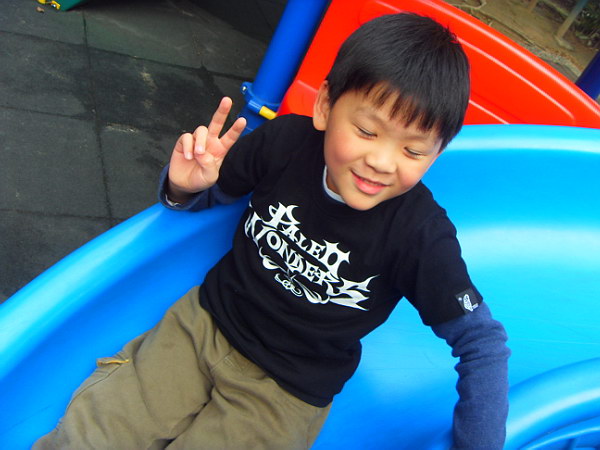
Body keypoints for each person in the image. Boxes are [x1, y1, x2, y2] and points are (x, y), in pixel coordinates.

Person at [36, 13, 509, 449]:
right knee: (90, 435)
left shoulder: (420, 235)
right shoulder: (284, 142)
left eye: (414, 151)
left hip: (287, 388)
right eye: (367, 131)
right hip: (204, 324)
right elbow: (209, 197)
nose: (383, 162)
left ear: (437, 153)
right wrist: (185, 186)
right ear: (325, 105)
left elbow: (481, 343)